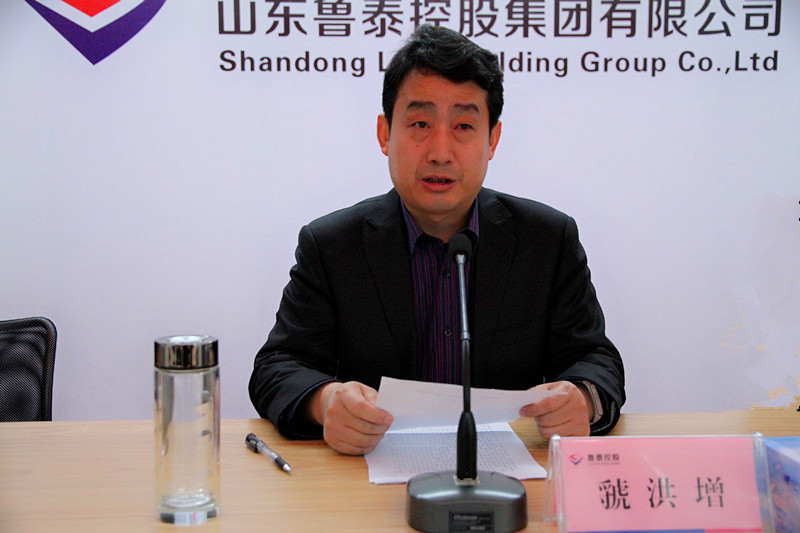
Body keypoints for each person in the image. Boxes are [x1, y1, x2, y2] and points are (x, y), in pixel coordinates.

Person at [249, 24, 625, 456]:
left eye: (464, 125)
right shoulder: (332, 246)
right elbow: (278, 366)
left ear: (492, 139)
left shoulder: (547, 240)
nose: (441, 152)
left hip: (508, 474)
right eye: (420, 123)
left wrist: (583, 398)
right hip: (368, 477)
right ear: (385, 134)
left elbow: (595, 359)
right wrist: (325, 401)